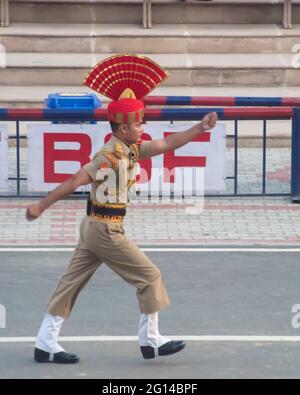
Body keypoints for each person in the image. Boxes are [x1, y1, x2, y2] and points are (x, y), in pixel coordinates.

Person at [26, 54, 217, 364]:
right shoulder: (109, 156)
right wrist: (41, 205)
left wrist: (199, 127)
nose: (143, 126)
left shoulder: (130, 149)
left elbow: (167, 145)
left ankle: (45, 343)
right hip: (106, 229)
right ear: (124, 126)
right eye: (139, 122)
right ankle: (151, 341)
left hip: (94, 227)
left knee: (70, 284)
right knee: (149, 276)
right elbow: (76, 179)